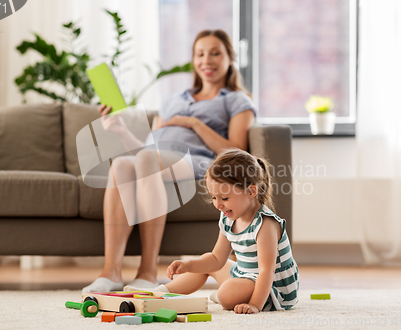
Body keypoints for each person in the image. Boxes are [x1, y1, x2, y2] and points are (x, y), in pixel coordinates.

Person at [82, 29, 257, 293]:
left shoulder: (236, 100)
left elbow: (237, 151)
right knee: (121, 164)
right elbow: (146, 149)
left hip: (198, 160)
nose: (206, 60)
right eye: (200, 54)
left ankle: (148, 272)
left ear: (229, 59)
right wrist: (119, 130)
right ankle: (111, 271)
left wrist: (193, 123)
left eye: (215, 53)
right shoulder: (173, 100)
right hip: (155, 158)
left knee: (146, 162)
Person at [125, 148, 299, 314]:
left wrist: (254, 304)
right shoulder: (228, 217)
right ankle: (159, 293)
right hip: (246, 275)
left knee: (226, 294)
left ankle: (227, 296)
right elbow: (217, 258)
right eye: (214, 197)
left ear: (251, 191)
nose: (218, 204)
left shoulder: (265, 224)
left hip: (273, 288)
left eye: (224, 198)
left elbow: (266, 272)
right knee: (205, 263)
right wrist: (189, 265)